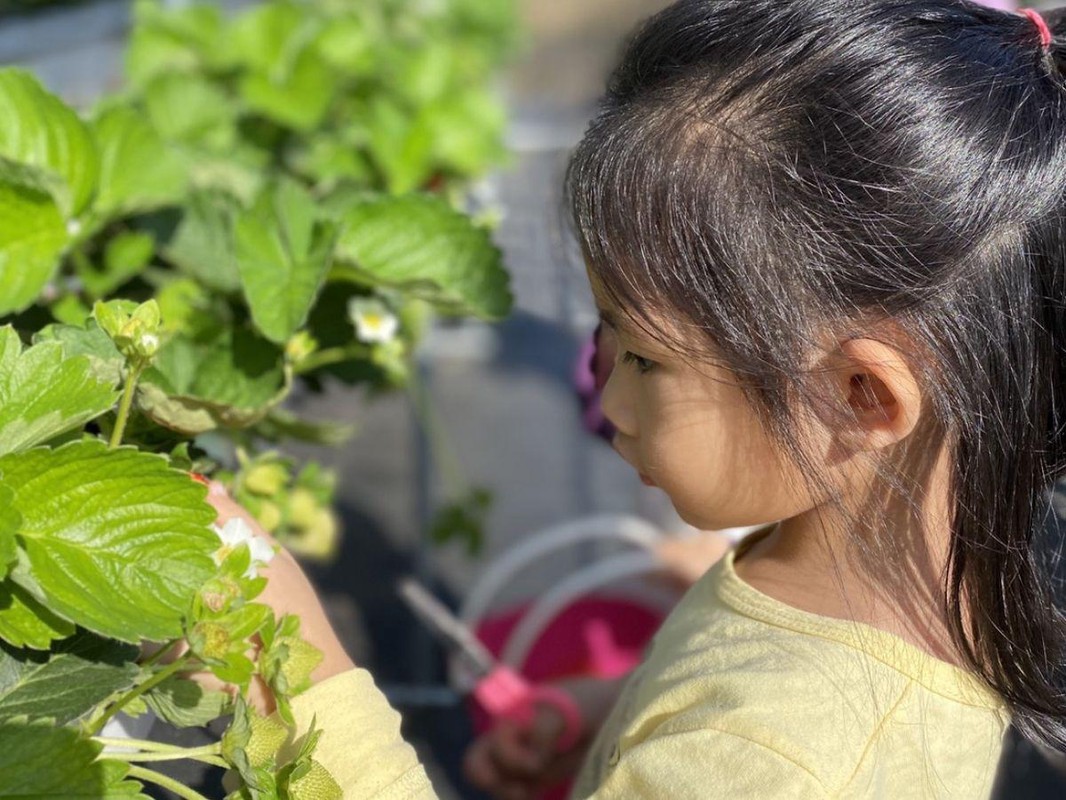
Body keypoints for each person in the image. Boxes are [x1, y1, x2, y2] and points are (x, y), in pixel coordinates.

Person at [207, 1, 1066, 796]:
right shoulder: (908, 569)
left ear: (860, 395)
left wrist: (285, 683)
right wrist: (618, 720)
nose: (601, 388)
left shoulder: (770, 764)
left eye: (645, 359)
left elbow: (754, 751)